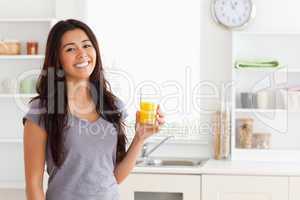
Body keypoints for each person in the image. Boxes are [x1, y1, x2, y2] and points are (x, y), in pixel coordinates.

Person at [22, 19, 165, 200]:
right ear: (57, 59)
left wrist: (139, 138)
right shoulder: (41, 110)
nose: (82, 54)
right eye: (70, 49)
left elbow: (113, 177)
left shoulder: (113, 106)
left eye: (86, 45)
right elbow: (33, 185)